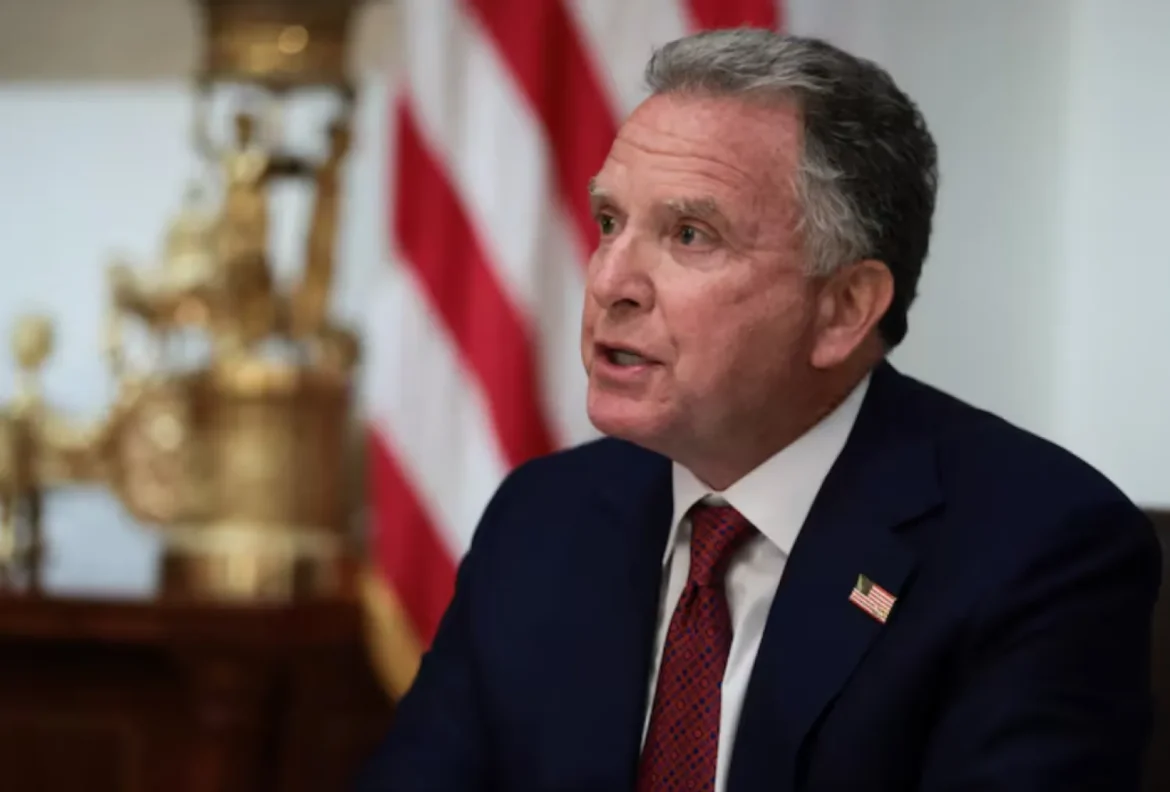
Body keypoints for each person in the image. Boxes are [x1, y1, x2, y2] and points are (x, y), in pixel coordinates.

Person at [357, 29, 1161, 792]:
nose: (608, 281)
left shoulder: (1037, 549)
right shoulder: (544, 517)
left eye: (690, 235)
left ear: (844, 308)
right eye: (610, 222)